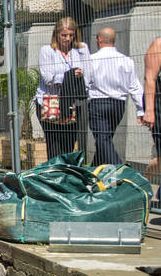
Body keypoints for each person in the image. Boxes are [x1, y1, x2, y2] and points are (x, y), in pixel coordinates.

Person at [84, 27, 142, 166]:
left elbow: (85, 83)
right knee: (105, 140)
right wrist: (141, 109)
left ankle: (120, 169)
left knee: (103, 140)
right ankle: (92, 174)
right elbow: (135, 86)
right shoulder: (126, 60)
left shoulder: (91, 60)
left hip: (98, 103)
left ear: (99, 39)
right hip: (118, 104)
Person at [37, 17, 91, 159]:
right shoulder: (47, 51)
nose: (67, 39)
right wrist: (70, 75)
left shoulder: (81, 50)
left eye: (71, 35)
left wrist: (80, 75)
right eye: (64, 35)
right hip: (51, 102)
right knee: (54, 143)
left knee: (69, 143)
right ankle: (54, 174)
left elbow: (89, 75)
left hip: (73, 104)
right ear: (56, 34)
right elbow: (48, 78)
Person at [142, 37, 161, 197]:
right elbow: (150, 78)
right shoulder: (158, 44)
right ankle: (143, 182)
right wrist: (149, 110)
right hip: (159, 103)